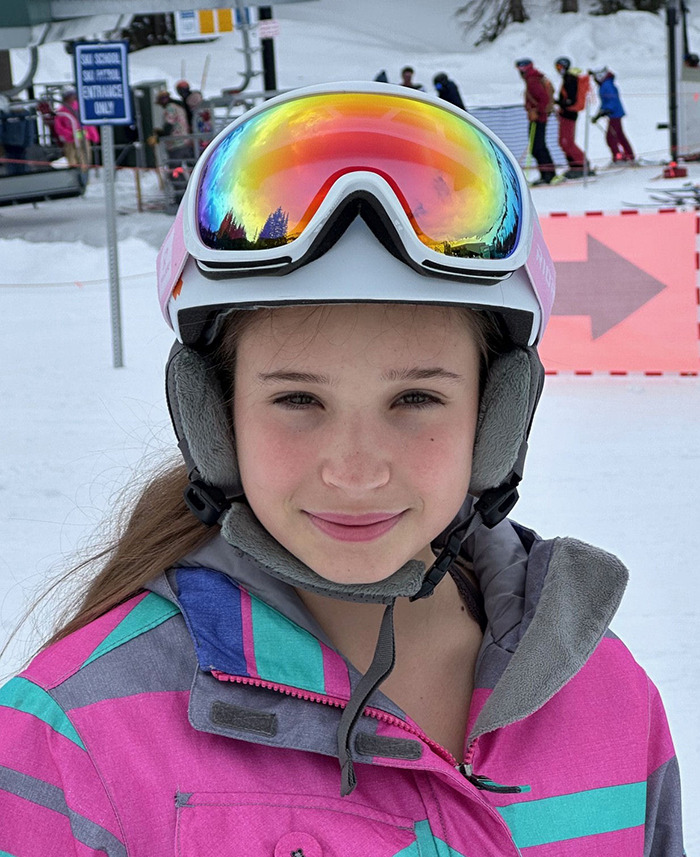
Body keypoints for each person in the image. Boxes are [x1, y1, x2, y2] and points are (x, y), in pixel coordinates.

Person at [0, 83, 684, 856]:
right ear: (215, 417)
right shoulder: (75, 742)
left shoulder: (605, 697)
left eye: (416, 397)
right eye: (298, 398)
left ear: (495, 417)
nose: (355, 471)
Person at [515, 58, 556, 185]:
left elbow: (543, 98)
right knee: (537, 146)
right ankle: (547, 174)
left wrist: (536, 111)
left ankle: (549, 175)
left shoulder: (532, 80)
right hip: (538, 117)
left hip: (538, 118)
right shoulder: (533, 77)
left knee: (537, 147)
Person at [553, 56, 591, 179]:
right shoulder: (567, 78)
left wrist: (558, 103)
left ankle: (582, 164)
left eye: (560, 67)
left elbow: (570, 100)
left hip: (569, 114)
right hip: (565, 114)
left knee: (567, 142)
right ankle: (575, 165)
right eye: (556, 67)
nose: (558, 70)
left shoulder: (570, 79)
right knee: (563, 142)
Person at [591, 66, 636, 164]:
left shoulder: (607, 85)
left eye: (594, 77)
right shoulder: (604, 85)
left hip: (615, 114)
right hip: (613, 114)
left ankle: (619, 157)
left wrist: (607, 110)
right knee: (619, 135)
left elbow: (612, 100)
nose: (594, 80)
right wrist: (598, 115)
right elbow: (604, 102)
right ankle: (629, 156)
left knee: (611, 138)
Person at [53, 89, 100, 170]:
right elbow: (58, 127)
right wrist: (68, 134)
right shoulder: (61, 111)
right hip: (70, 138)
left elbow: (88, 123)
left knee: (84, 155)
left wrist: (93, 135)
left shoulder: (81, 108)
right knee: (71, 155)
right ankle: (75, 169)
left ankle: (84, 170)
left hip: (82, 135)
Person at [148, 89, 193, 167]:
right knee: (191, 167)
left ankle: (178, 179)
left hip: (176, 143)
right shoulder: (179, 106)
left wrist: (159, 135)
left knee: (175, 170)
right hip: (186, 141)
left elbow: (169, 124)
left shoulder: (170, 108)